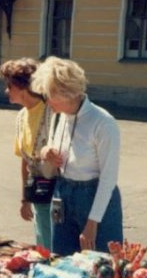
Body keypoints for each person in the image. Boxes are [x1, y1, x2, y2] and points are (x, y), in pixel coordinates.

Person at [31, 56, 123, 256]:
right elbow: (55, 149)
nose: (47, 102)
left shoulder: (103, 123)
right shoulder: (61, 116)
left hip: (94, 198)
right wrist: (47, 151)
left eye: (50, 96)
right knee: (62, 261)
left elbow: (108, 179)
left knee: (102, 267)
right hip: (62, 193)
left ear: (66, 93)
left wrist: (92, 223)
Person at [0, 58, 56, 250]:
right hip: (39, 194)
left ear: (21, 87)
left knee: (60, 250)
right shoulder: (21, 116)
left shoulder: (53, 111)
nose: (6, 90)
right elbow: (25, 161)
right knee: (44, 247)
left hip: (60, 194)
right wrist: (25, 199)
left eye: (9, 85)